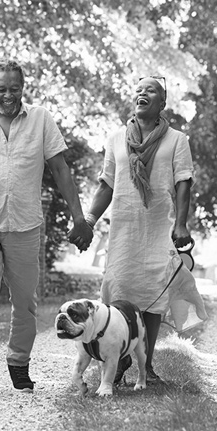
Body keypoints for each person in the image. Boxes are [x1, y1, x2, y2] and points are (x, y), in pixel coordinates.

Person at [0, 59, 93, 396]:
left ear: (23, 88)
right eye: (1, 88)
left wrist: (78, 216)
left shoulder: (41, 119)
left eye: (14, 88)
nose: (8, 95)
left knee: (25, 301)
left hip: (24, 224)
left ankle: (19, 363)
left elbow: (60, 168)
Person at [70, 76, 208, 383]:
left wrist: (182, 224)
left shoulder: (176, 140)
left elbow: (183, 182)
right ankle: (118, 359)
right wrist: (89, 220)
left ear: (162, 103)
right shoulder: (117, 138)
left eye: (151, 91)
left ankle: (146, 366)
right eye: (139, 90)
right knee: (118, 288)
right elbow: (107, 183)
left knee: (152, 296)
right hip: (124, 229)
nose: (142, 93)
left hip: (160, 227)